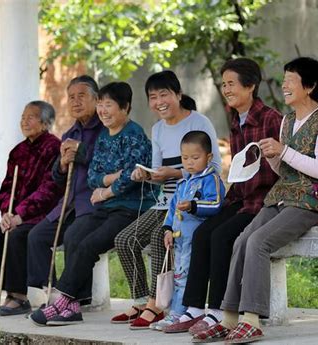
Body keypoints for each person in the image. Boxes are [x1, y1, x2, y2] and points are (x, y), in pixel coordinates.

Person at [193, 57, 318, 343]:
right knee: (242, 239)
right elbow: (286, 170)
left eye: (290, 80)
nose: (283, 85)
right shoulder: (288, 121)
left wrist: (283, 152)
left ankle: (252, 320)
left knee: (258, 241)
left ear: (310, 86)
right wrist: (273, 158)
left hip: (310, 202)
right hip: (281, 197)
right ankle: (230, 317)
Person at [163, 58, 282, 334]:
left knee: (220, 236)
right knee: (203, 232)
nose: (226, 89)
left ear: (250, 86)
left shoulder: (270, 118)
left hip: (262, 201)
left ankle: (217, 310)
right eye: (224, 84)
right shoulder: (235, 119)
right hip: (240, 198)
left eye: (232, 84)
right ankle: (193, 309)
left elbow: (275, 169)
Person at [29, 81, 155, 326]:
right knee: (75, 234)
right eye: (101, 105)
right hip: (106, 208)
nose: (103, 111)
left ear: (125, 107)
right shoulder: (104, 137)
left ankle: (64, 301)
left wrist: (107, 191)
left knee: (90, 245)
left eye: (108, 105)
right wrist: (113, 177)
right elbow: (93, 175)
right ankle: (72, 306)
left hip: (130, 208)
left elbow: (134, 174)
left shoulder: (134, 135)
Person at [111, 70, 222, 330]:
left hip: (191, 202)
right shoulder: (158, 129)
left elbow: (214, 166)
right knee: (124, 240)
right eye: (153, 96)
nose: (159, 101)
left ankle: (157, 305)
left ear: (178, 95)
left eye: (164, 94)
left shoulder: (199, 122)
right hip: (165, 202)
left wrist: (175, 173)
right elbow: (158, 174)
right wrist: (145, 175)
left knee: (158, 239)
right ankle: (140, 300)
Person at [27, 75, 104, 292]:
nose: (75, 102)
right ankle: (45, 293)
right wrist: (61, 164)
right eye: (71, 97)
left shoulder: (105, 130)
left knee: (73, 237)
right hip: (69, 204)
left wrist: (81, 153)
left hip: (93, 204)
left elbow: (105, 164)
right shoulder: (69, 133)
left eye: (81, 96)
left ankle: (75, 297)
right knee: (36, 237)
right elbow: (58, 176)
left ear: (96, 99)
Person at [0, 100, 63, 316]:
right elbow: (6, 187)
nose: (24, 121)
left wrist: (21, 214)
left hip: (43, 213)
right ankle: (13, 293)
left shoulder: (53, 148)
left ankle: (22, 297)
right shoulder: (18, 151)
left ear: (45, 123)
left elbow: (50, 190)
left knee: (17, 236)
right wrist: (6, 213)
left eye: (31, 117)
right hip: (17, 213)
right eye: (23, 117)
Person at [150, 131, 225, 331]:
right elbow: (172, 209)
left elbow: (216, 204)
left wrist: (193, 205)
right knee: (177, 275)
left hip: (195, 239)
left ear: (208, 157)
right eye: (185, 158)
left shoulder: (212, 180)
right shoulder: (183, 183)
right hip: (178, 238)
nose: (189, 163)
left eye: (195, 157)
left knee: (186, 275)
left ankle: (179, 314)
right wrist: (167, 229)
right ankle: (177, 312)